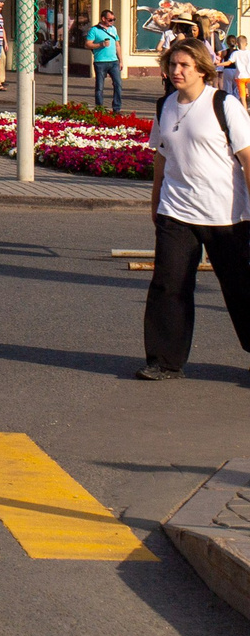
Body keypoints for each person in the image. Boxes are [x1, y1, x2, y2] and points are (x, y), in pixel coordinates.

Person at [139, 38, 250, 380]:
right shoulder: (165, 106)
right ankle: (165, 361)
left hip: (225, 214)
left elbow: (247, 159)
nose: (176, 71)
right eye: (172, 64)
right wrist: (156, 200)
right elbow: (162, 156)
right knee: (168, 286)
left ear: (202, 69)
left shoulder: (224, 105)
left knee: (241, 289)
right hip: (176, 212)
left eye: (185, 65)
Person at [86, 13, 123, 115]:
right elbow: (88, 44)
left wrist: (121, 60)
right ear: (103, 19)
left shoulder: (113, 29)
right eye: (110, 20)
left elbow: (117, 45)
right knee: (100, 87)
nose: (112, 22)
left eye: (113, 19)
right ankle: (99, 109)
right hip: (100, 62)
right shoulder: (94, 30)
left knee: (118, 84)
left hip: (113, 61)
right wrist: (101, 44)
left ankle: (117, 108)